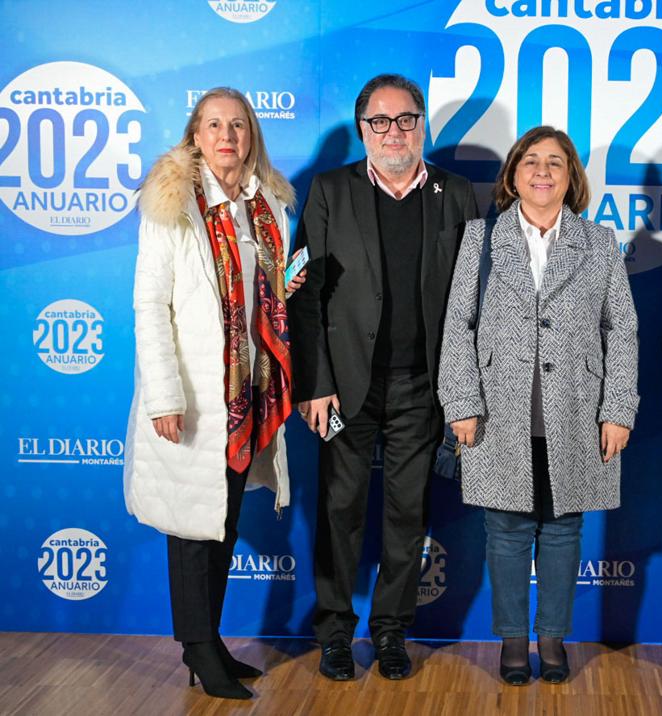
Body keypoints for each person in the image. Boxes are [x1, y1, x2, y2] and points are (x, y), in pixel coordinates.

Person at [287, 74, 478, 682]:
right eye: (380, 121)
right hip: (344, 385)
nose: (394, 132)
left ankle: (392, 630)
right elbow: (304, 295)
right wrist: (314, 382)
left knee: (406, 513)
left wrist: (463, 392)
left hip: (424, 386)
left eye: (406, 120)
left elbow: (475, 302)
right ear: (363, 127)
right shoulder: (328, 191)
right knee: (340, 508)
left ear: (422, 124)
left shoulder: (458, 195)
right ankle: (336, 632)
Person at [438, 126, 639, 685]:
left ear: (572, 176)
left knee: (562, 529)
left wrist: (618, 408)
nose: (543, 171)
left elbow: (621, 329)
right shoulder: (480, 239)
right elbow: (459, 326)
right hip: (497, 413)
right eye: (531, 161)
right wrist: (460, 400)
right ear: (513, 174)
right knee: (504, 530)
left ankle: (552, 638)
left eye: (556, 162)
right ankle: (511, 641)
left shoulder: (598, 242)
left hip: (577, 413)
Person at [124, 87, 302, 700]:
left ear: (252, 135)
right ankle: (198, 648)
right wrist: (164, 397)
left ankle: (211, 642)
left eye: (238, 125)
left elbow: (268, 299)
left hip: (246, 394)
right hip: (195, 396)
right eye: (214, 125)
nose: (227, 136)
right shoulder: (171, 204)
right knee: (191, 526)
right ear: (194, 135)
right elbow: (151, 305)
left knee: (220, 520)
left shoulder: (268, 206)